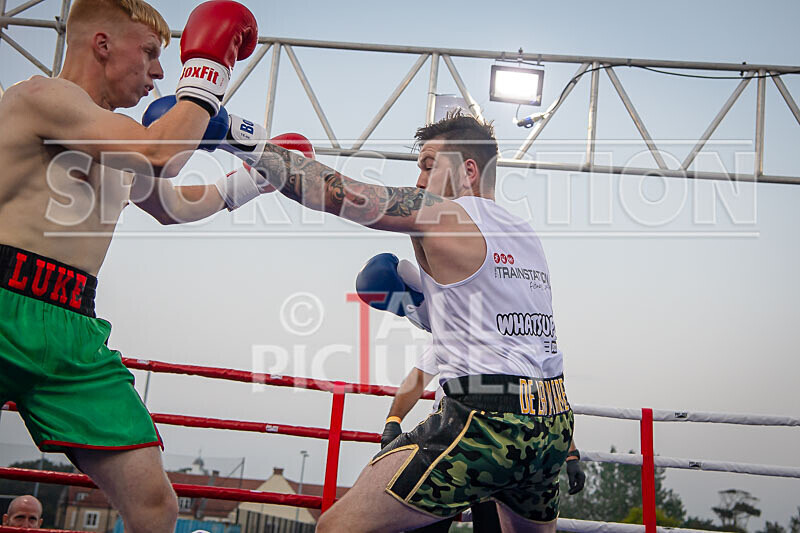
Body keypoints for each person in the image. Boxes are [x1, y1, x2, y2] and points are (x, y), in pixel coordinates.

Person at [247, 110, 575, 532]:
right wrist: (422, 309)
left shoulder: (440, 214)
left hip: (487, 420)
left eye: (428, 165)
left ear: (467, 171)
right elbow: (501, 327)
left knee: (335, 527)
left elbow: (335, 193)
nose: (419, 180)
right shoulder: (526, 235)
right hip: (553, 422)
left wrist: (244, 143)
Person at [0, 1, 260, 532]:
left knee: (154, 505)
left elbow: (173, 205)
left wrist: (254, 181)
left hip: (73, 328)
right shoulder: (42, 98)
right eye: (149, 53)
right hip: (3, 304)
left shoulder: (113, 138)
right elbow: (159, 152)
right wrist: (208, 73)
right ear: (102, 45)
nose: (160, 72)